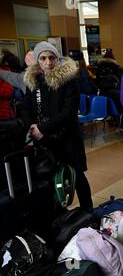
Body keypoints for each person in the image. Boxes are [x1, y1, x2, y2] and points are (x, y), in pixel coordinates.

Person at [21, 41, 93, 211]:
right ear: (37, 60)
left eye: (51, 58)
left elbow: (68, 113)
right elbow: (25, 107)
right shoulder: (33, 81)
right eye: (43, 58)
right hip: (44, 139)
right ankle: (59, 215)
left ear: (57, 58)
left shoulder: (69, 81)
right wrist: (32, 126)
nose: (48, 62)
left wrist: (41, 129)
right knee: (51, 178)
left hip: (67, 138)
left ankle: (88, 211)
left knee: (77, 177)